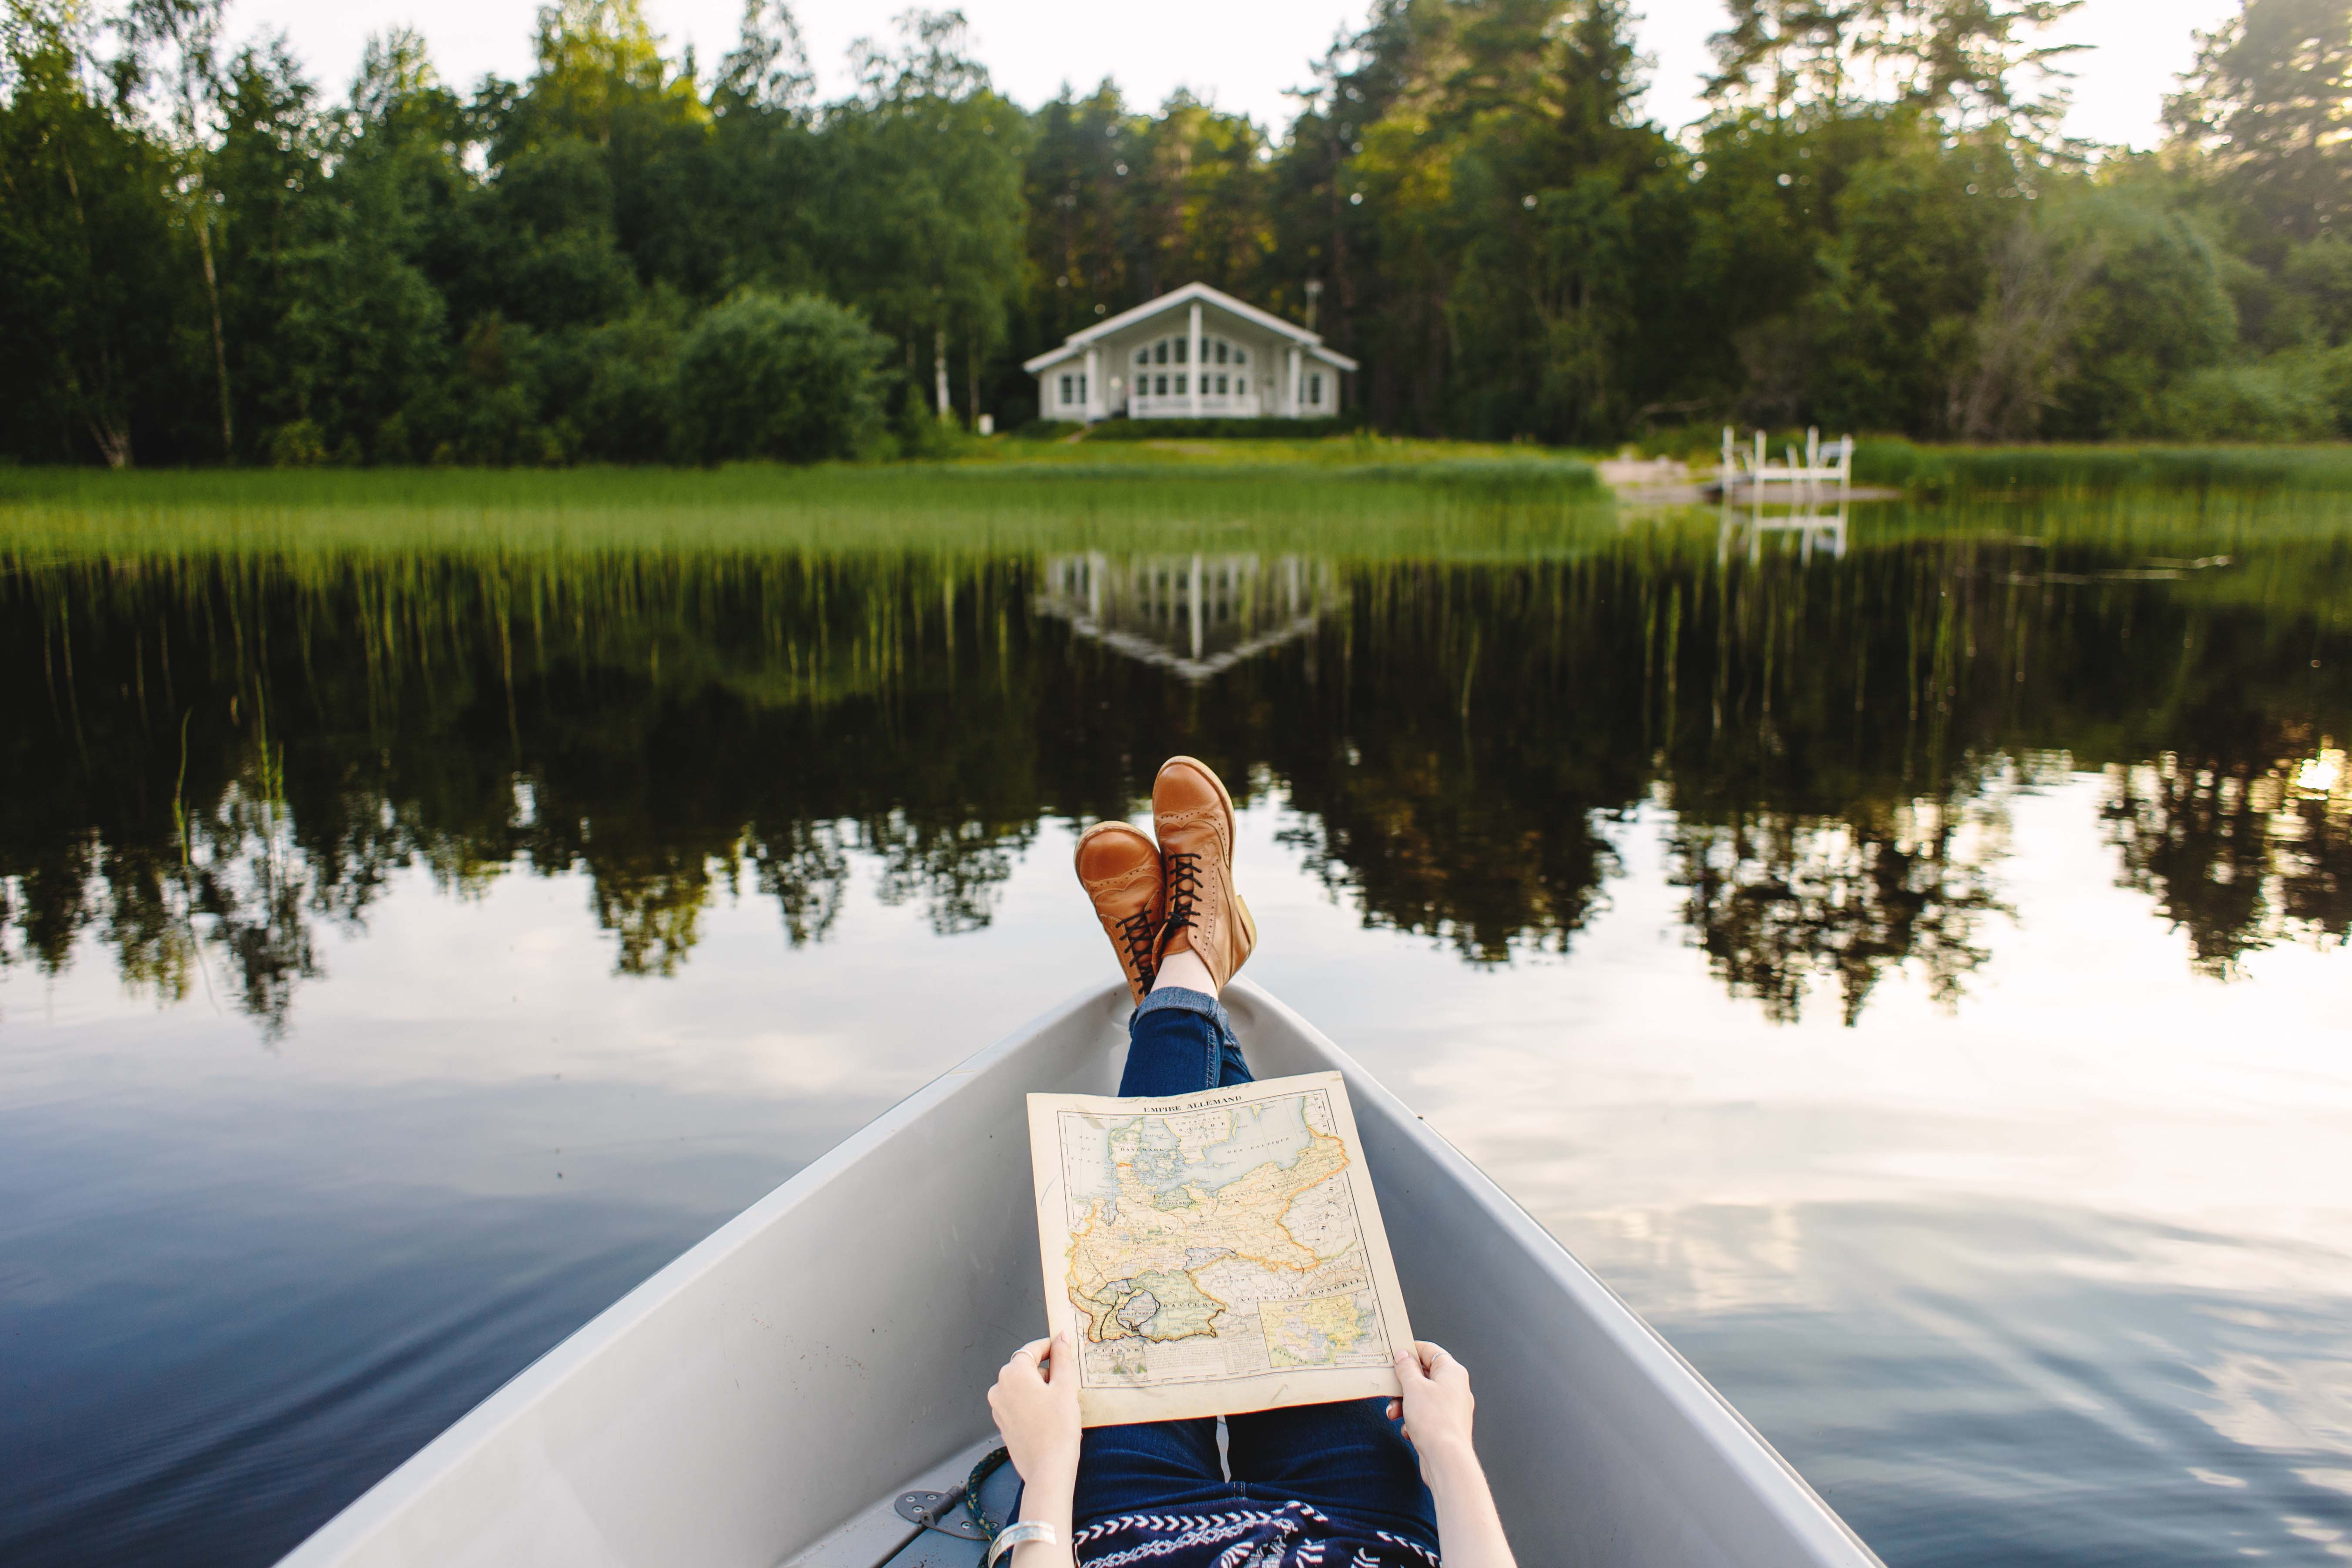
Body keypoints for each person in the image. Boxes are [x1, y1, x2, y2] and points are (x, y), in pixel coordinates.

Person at [984, 756, 1520, 1568]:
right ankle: (1189, 968)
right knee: (1280, 1242)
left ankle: (1184, 968)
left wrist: (1048, 1466)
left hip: (1133, 1537)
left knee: (1146, 1248)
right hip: (1362, 1528)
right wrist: (1446, 1449)